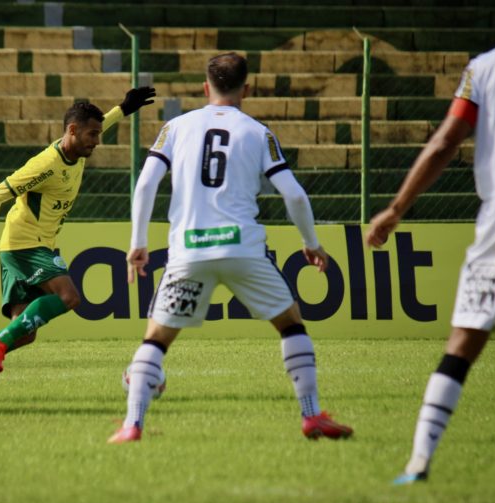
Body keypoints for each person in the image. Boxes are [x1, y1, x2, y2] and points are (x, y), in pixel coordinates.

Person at [365, 0, 495, 484]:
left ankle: (418, 460)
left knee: (465, 338)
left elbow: (443, 143)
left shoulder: (484, 67)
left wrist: (396, 209)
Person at [107, 53, 353, 443]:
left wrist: (138, 244)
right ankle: (310, 416)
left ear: (206, 87)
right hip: (243, 250)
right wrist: (311, 243)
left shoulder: (175, 127)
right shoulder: (258, 132)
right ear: (247, 89)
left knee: (155, 339)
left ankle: (132, 424)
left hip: (189, 252)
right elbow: (295, 195)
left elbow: (145, 185)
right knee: (291, 324)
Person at [0, 87, 156, 399]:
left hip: (32, 245)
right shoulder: (46, 164)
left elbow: (99, 125)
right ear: (72, 131)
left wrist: (124, 109)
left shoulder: (78, 150)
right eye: (92, 134)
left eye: (99, 134)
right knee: (70, 297)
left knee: (22, 334)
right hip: (24, 244)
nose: (97, 141)